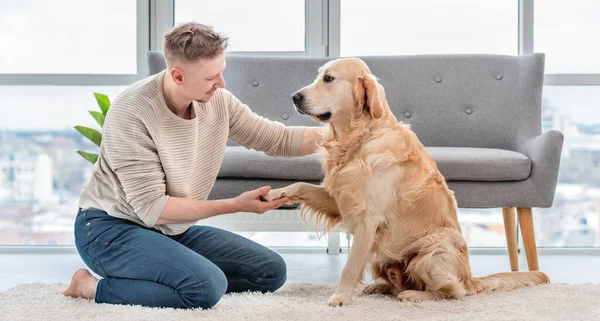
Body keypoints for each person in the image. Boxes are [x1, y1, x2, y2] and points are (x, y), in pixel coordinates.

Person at [62, 22, 322, 309]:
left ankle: (169, 271)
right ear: (178, 75)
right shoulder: (133, 113)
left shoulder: (218, 101)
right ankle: (90, 287)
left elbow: (278, 139)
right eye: (212, 77)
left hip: (171, 230)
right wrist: (235, 204)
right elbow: (154, 209)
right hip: (110, 230)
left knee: (269, 271)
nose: (221, 83)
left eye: (221, 71)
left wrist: (342, 135)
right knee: (204, 288)